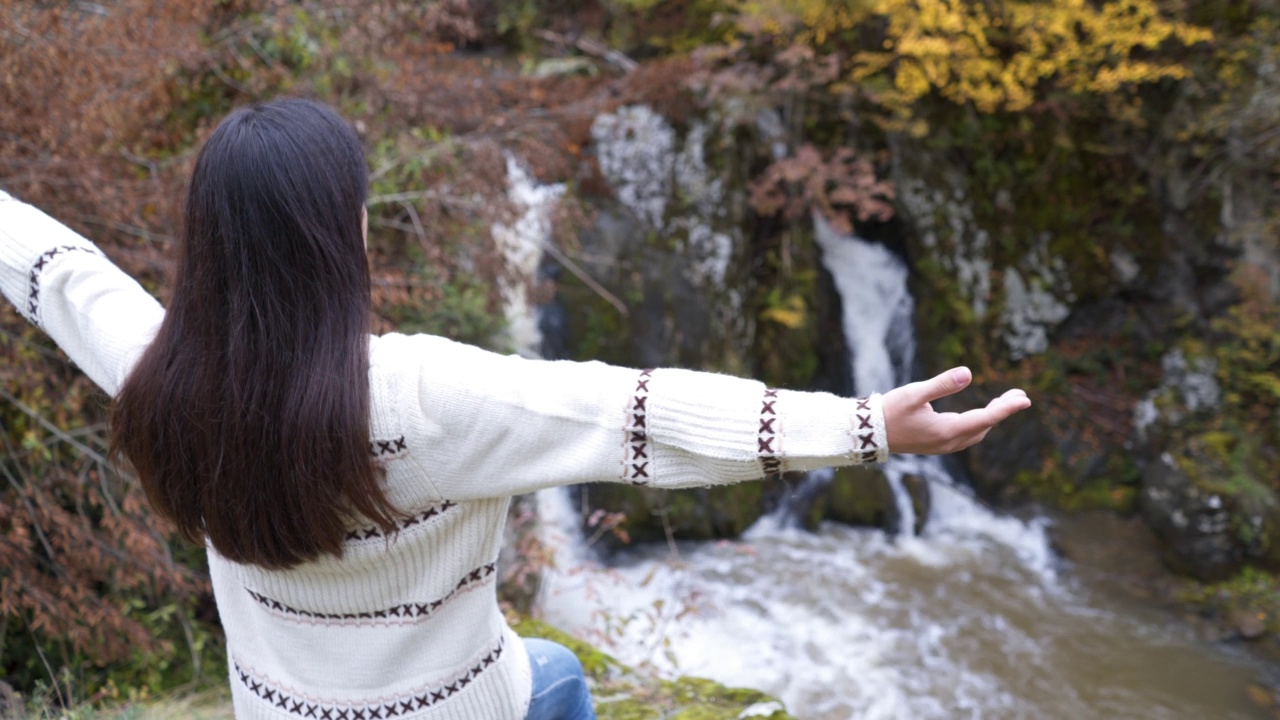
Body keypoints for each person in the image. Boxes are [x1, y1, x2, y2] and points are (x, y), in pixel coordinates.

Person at [0, 98, 1030, 720]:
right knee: (551, 677)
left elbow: (60, 276)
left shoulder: (161, 380)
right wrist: (865, 428)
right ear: (339, 236)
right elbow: (643, 415)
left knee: (549, 669)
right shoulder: (428, 398)